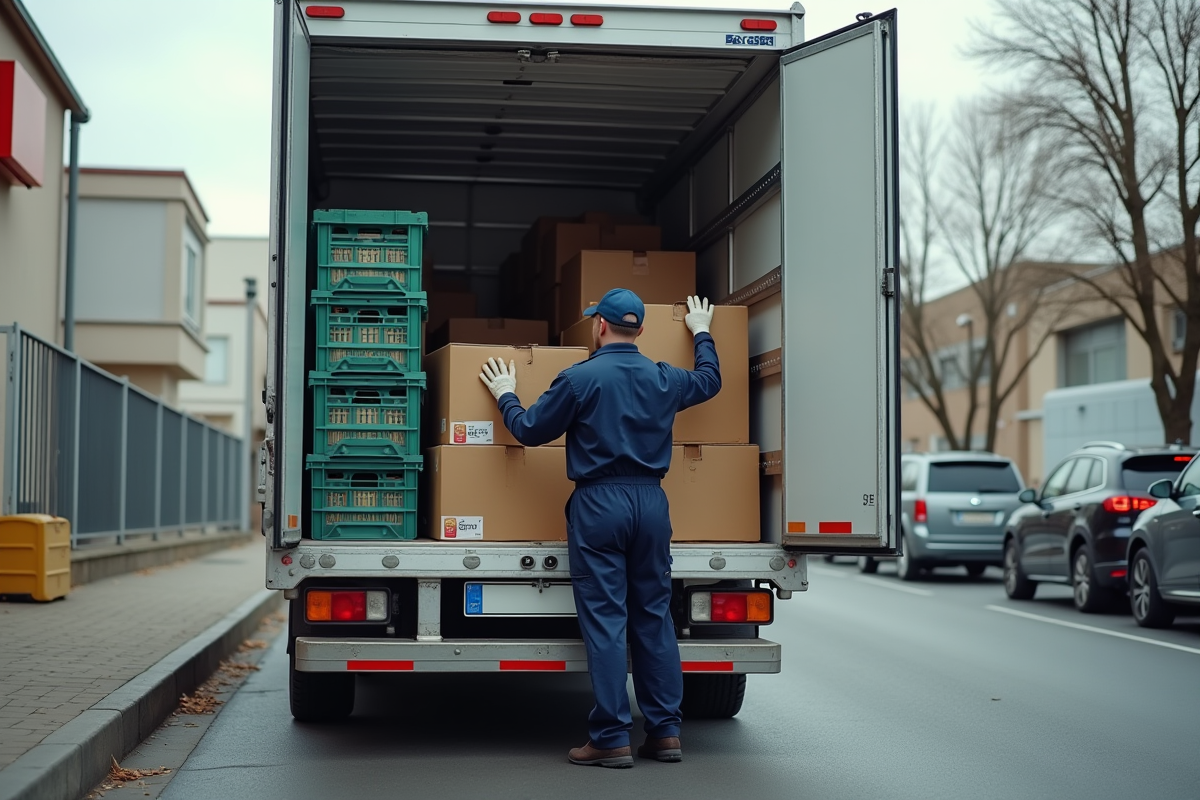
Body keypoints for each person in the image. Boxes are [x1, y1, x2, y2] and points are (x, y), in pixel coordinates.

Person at [478, 288, 721, 768]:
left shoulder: (578, 379)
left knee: (608, 620)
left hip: (599, 503)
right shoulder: (664, 378)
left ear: (600, 326)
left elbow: (528, 430)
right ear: (641, 331)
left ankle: (611, 736)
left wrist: (506, 393)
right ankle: (666, 733)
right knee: (653, 616)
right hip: (651, 502)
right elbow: (710, 381)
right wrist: (702, 332)